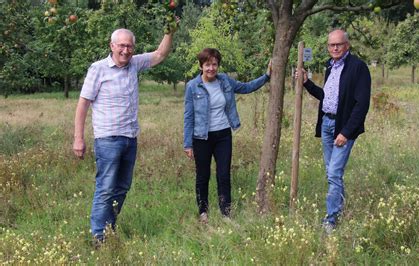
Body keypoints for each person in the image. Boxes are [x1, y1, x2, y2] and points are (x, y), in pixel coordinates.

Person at [73, 28, 174, 243]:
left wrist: (168, 31)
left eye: (129, 46)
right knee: (106, 188)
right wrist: (78, 138)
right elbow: (83, 104)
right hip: (107, 139)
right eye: (121, 45)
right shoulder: (98, 69)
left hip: (130, 138)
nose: (126, 50)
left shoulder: (135, 64)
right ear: (112, 46)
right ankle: (98, 236)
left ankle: (109, 228)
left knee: (122, 188)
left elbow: (160, 54)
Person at [183, 48, 271, 223]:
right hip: (201, 138)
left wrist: (267, 76)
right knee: (203, 175)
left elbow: (246, 88)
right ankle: (203, 212)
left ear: (218, 65)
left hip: (223, 135)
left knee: (224, 174)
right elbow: (188, 115)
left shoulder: (225, 81)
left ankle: (226, 213)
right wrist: (187, 144)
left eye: (214, 64)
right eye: (207, 64)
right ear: (201, 66)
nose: (211, 68)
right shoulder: (193, 86)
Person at [297, 29, 371, 233]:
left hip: (343, 129)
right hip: (328, 125)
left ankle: (331, 220)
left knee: (333, 173)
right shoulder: (331, 67)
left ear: (347, 45)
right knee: (332, 173)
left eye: (339, 44)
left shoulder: (358, 68)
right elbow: (326, 97)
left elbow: (361, 104)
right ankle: (340, 209)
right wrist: (307, 83)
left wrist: (346, 132)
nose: (335, 48)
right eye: (331, 45)